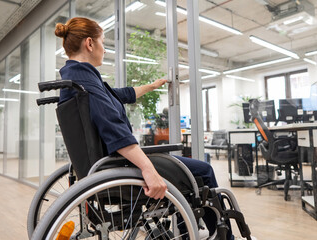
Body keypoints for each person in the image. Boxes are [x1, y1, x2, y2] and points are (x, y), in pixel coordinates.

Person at [55, 17, 233, 239]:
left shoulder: (76, 78)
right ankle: (221, 235)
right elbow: (114, 128)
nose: (105, 49)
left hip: (102, 165)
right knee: (203, 171)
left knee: (186, 173)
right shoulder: (86, 82)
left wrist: (153, 85)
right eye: (103, 43)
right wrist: (149, 169)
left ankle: (188, 230)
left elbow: (118, 95)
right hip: (117, 164)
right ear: (89, 44)